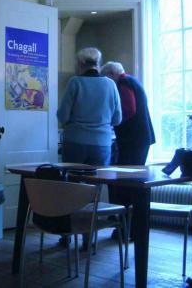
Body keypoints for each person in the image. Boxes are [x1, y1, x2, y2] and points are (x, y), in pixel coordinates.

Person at [57, 47, 122, 249]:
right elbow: (117, 118)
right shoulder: (110, 84)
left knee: (71, 188)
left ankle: (67, 234)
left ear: (81, 64)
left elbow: (62, 116)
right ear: (99, 64)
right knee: (94, 190)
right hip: (102, 144)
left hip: (75, 141)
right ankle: (88, 238)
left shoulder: (75, 83)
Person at [100, 62, 155, 240]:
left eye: (107, 78)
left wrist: (112, 120)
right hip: (140, 139)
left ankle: (126, 229)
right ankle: (130, 229)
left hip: (133, 140)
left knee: (126, 184)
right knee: (131, 183)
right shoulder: (134, 82)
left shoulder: (123, 84)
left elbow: (128, 110)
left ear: (112, 74)